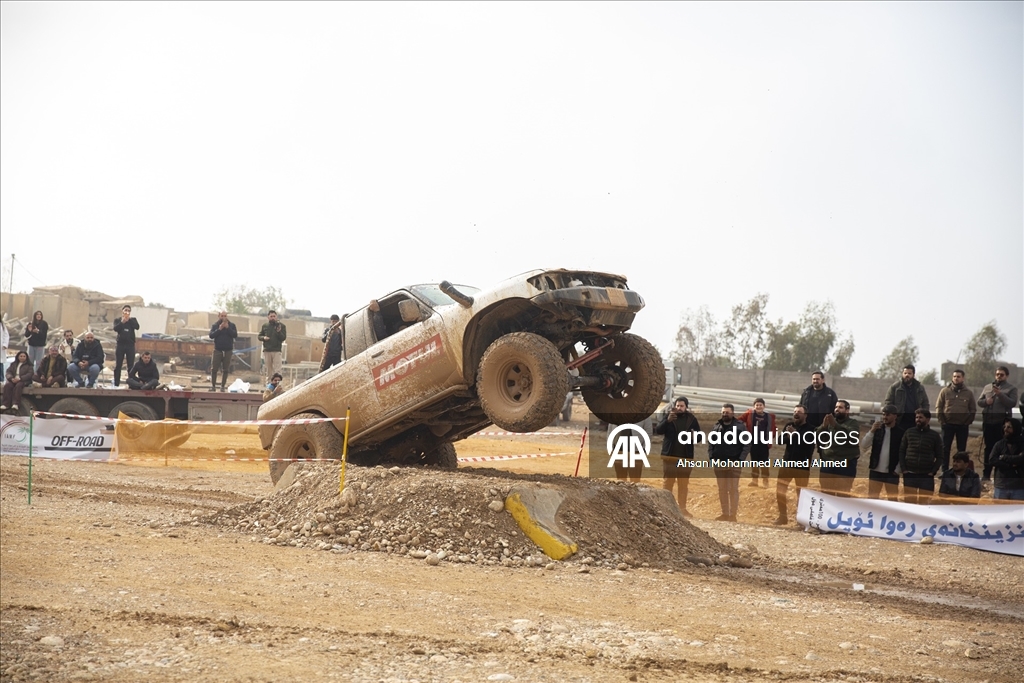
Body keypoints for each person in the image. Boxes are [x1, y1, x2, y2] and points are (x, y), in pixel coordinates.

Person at [653, 396, 701, 517]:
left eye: (682, 406)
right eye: (678, 405)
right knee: (668, 482)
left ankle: (682, 509)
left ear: (686, 407)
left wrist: (694, 436)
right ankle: (666, 507)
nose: (679, 408)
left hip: (686, 457)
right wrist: (667, 421)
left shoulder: (691, 419)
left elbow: (700, 436)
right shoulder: (669, 416)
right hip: (670, 456)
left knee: (683, 484)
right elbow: (658, 430)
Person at [774, 405, 815, 525]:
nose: (796, 414)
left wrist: (795, 434)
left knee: (801, 493)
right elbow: (780, 441)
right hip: (787, 463)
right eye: (795, 412)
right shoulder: (789, 426)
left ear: (805, 415)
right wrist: (789, 434)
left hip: (802, 466)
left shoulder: (811, 429)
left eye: (799, 412)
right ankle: (782, 517)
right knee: (780, 491)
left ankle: (800, 520)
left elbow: (807, 445)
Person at [707, 403, 749, 522]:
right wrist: (711, 457)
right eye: (723, 412)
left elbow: (747, 444)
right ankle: (724, 513)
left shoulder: (740, 427)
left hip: (734, 463)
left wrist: (740, 460)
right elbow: (711, 443)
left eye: (727, 412)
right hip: (719, 463)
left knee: (733, 489)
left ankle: (732, 515)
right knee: (722, 489)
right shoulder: (717, 426)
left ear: (733, 413)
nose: (725, 414)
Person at [977, 367, 1019, 484]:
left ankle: (1000, 474)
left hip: (1001, 424)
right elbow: (979, 402)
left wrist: (1000, 394)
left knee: (1001, 448)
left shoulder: (1011, 389)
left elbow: (1012, 403)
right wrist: (986, 402)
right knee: (988, 448)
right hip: (988, 423)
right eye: (997, 374)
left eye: (1001, 375)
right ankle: (986, 475)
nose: (999, 376)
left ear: (1006, 376)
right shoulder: (987, 387)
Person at [935, 368, 976, 475]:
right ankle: (944, 471)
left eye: (958, 376)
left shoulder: (968, 393)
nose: (956, 378)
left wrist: (967, 421)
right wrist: (942, 421)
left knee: (961, 450)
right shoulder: (945, 391)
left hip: (962, 426)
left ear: (963, 378)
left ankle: (960, 471)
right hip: (947, 425)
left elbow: (972, 409)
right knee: (945, 448)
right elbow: (939, 407)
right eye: (954, 376)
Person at [899, 408, 943, 505]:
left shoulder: (934, 436)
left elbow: (940, 456)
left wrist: (933, 471)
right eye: (917, 417)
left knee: (924, 504)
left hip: (926, 476)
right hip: (910, 474)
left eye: (921, 417)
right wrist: (904, 469)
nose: (918, 419)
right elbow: (902, 451)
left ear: (927, 419)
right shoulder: (909, 432)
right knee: (909, 504)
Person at [817, 400, 860, 496]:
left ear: (847, 410)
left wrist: (835, 425)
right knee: (826, 492)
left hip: (845, 464)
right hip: (828, 462)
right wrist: (823, 427)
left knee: (843, 494)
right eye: (836, 407)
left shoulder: (853, 423)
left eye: (840, 407)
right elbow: (816, 436)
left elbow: (851, 436)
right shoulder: (830, 422)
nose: (837, 409)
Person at [860, 405, 903, 501]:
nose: (885, 417)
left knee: (892, 501)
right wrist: (872, 430)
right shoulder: (877, 430)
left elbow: (902, 453)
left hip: (891, 473)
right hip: (875, 471)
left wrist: (898, 469)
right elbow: (864, 445)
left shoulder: (900, 432)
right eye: (883, 414)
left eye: (888, 415)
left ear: (895, 416)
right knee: (872, 499)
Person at [737, 398, 775, 487]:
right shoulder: (749, 414)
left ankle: (765, 481)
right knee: (754, 462)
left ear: (764, 406)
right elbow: (739, 420)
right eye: (757, 405)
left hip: (764, 443)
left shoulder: (770, 416)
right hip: (752, 443)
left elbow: (773, 427)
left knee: (764, 462)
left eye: (760, 405)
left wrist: (771, 436)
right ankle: (755, 481)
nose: (759, 406)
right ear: (754, 406)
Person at [884, 364, 930, 431]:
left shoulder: (919, 388)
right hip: (900, 420)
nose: (907, 375)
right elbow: (888, 402)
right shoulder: (895, 387)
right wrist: (892, 416)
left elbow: (925, 403)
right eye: (905, 373)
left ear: (913, 375)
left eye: (909, 373)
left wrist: (924, 416)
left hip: (915, 420)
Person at [989, 418, 1024, 501]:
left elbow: (1022, 459)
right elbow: (992, 460)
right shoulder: (999, 444)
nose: (1006, 429)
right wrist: (1011, 465)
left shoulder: (1022, 443)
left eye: (1009, 427)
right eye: (1005, 427)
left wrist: (1004, 457)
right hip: (1001, 485)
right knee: (1000, 513)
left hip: (1018, 486)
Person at [209, 311, 238, 391]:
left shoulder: (232, 325)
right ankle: (213, 386)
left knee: (225, 369)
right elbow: (211, 335)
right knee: (214, 369)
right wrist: (219, 329)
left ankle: (222, 386)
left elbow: (235, 335)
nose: (223, 317)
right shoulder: (215, 325)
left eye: (225, 316)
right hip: (218, 350)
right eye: (222, 316)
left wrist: (228, 328)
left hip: (228, 350)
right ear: (219, 316)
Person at [112, 305, 140, 388]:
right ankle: (116, 383)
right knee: (118, 365)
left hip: (130, 345)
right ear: (122, 311)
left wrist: (129, 320)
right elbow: (116, 329)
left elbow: (137, 327)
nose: (127, 311)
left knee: (130, 365)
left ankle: (131, 383)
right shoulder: (118, 320)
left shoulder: (133, 320)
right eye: (125, 310)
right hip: (120, 345)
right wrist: (122, 322)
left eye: (128, 310)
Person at [258, 310, 287, 383]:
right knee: (269, 370)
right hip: (267, 350)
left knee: (277, 370)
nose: (273, 318)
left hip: (276, 351)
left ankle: (278, 385)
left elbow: (283, 338)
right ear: (268, 317)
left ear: (276, 317)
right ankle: (269, 386)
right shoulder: (265, 326)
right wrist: (264, 338)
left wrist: (279, 332)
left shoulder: (282, 326)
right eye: (271, 316)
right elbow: (259, 336)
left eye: (274, 316)